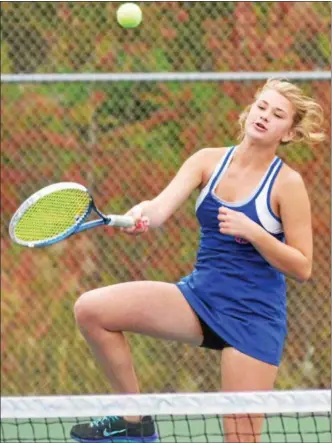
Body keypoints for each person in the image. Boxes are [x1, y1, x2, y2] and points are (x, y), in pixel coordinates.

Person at [70, 78, 324, 443]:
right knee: (92, 310)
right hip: (198, 298)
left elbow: (303, 266)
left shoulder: (288, 184)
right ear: (250, 110)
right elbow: (158, 208)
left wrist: (254, 232)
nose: (265, 116)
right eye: (262, 106)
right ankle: (134, 418)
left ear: (288, 132)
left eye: (278, 114)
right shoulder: (207, 160)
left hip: (253, 319)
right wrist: (141, 215)